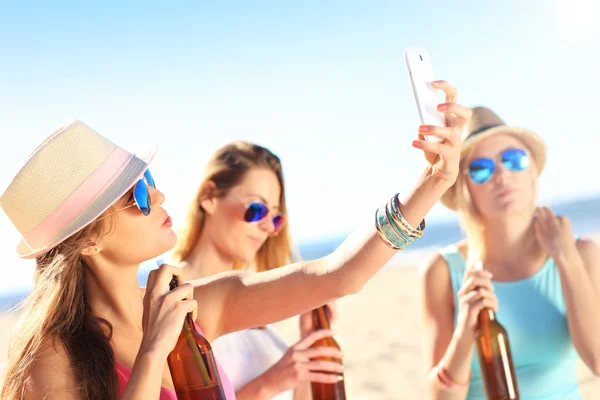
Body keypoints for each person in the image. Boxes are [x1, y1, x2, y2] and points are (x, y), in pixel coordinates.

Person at [0, 80, 468, 400]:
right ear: (87, 242)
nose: (160, 194)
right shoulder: (53, 358)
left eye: (150, 179)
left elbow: (341, 273)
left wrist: (432, 183)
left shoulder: (197, 306)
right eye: (137, 194)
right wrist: (151, 355)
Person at [419, 107, 600, 399]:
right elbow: (441, 396)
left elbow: (597, 360)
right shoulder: (442, 270)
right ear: (465, 188)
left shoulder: (581, 252)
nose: (502, 174)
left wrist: (565, 257)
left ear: (531, 173)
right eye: (481, 169)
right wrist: (465, 329)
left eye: (514, 160)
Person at [171, 141, 338, 400]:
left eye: (274, 217)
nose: (267, 228)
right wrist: (268, 384)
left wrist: (308, 340)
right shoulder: (175, 301)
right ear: (209, 197)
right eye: (256, 209)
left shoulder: (259, 317)